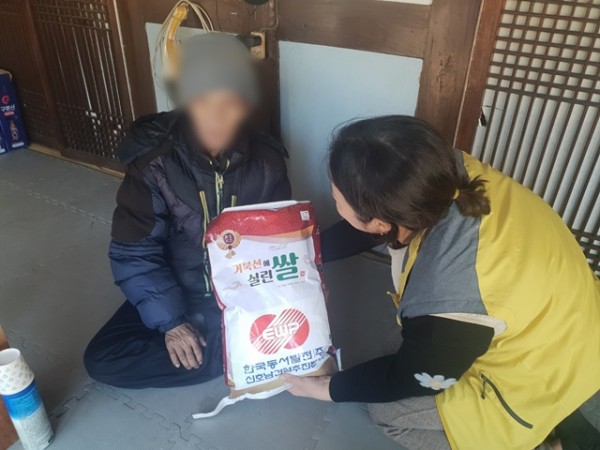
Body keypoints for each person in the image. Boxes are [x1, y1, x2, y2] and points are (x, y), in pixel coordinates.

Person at [283, 116, 600, 450]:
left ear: (378, 222)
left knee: (385, 410)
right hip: (566, 308)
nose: (335, 204)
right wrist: (304, 257)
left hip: (555, 367)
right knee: (394, 347)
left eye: (337, 200)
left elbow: (413, 378)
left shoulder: (445, 290)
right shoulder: (442, 169)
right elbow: (376, 225)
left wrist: (326, 389)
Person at [83, 33, 291, 388]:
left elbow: (279, 244)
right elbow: (134, 252)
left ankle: (227, 351)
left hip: (240, 293)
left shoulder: (267, 161)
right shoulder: (154, 162)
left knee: (305, 325)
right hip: (179, 288)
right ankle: (234, 355)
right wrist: (173, 323)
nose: (216, 118)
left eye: (230, 102)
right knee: (102, 360)